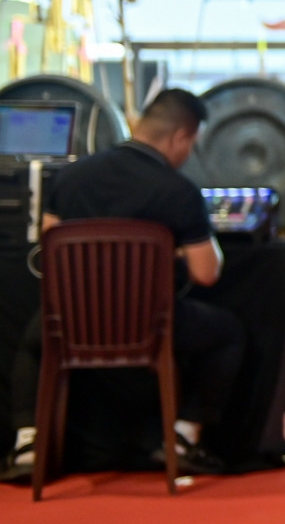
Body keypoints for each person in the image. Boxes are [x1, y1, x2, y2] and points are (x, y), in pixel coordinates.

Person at [5, 88, 240, 480]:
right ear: (181, 136)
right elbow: (206, 273)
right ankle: (182, 439)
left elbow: (49, 251)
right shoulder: (178, 191)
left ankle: (28, 445)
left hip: (72, 325)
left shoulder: (70, 177)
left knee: (34, 340)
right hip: (149, 325)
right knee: (228, 332)